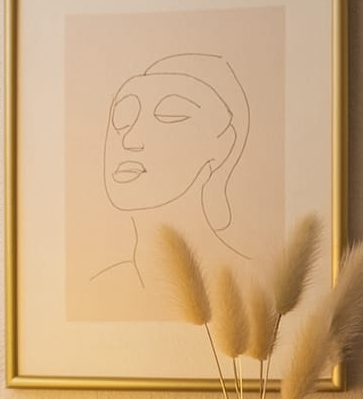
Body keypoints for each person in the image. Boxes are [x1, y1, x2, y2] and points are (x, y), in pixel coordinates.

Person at [91, 52, 250, 302]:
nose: (129, 140)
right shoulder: (96, 291)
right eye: (121, 118)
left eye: (170, 115)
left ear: (222, 145)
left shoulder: (247, 286)